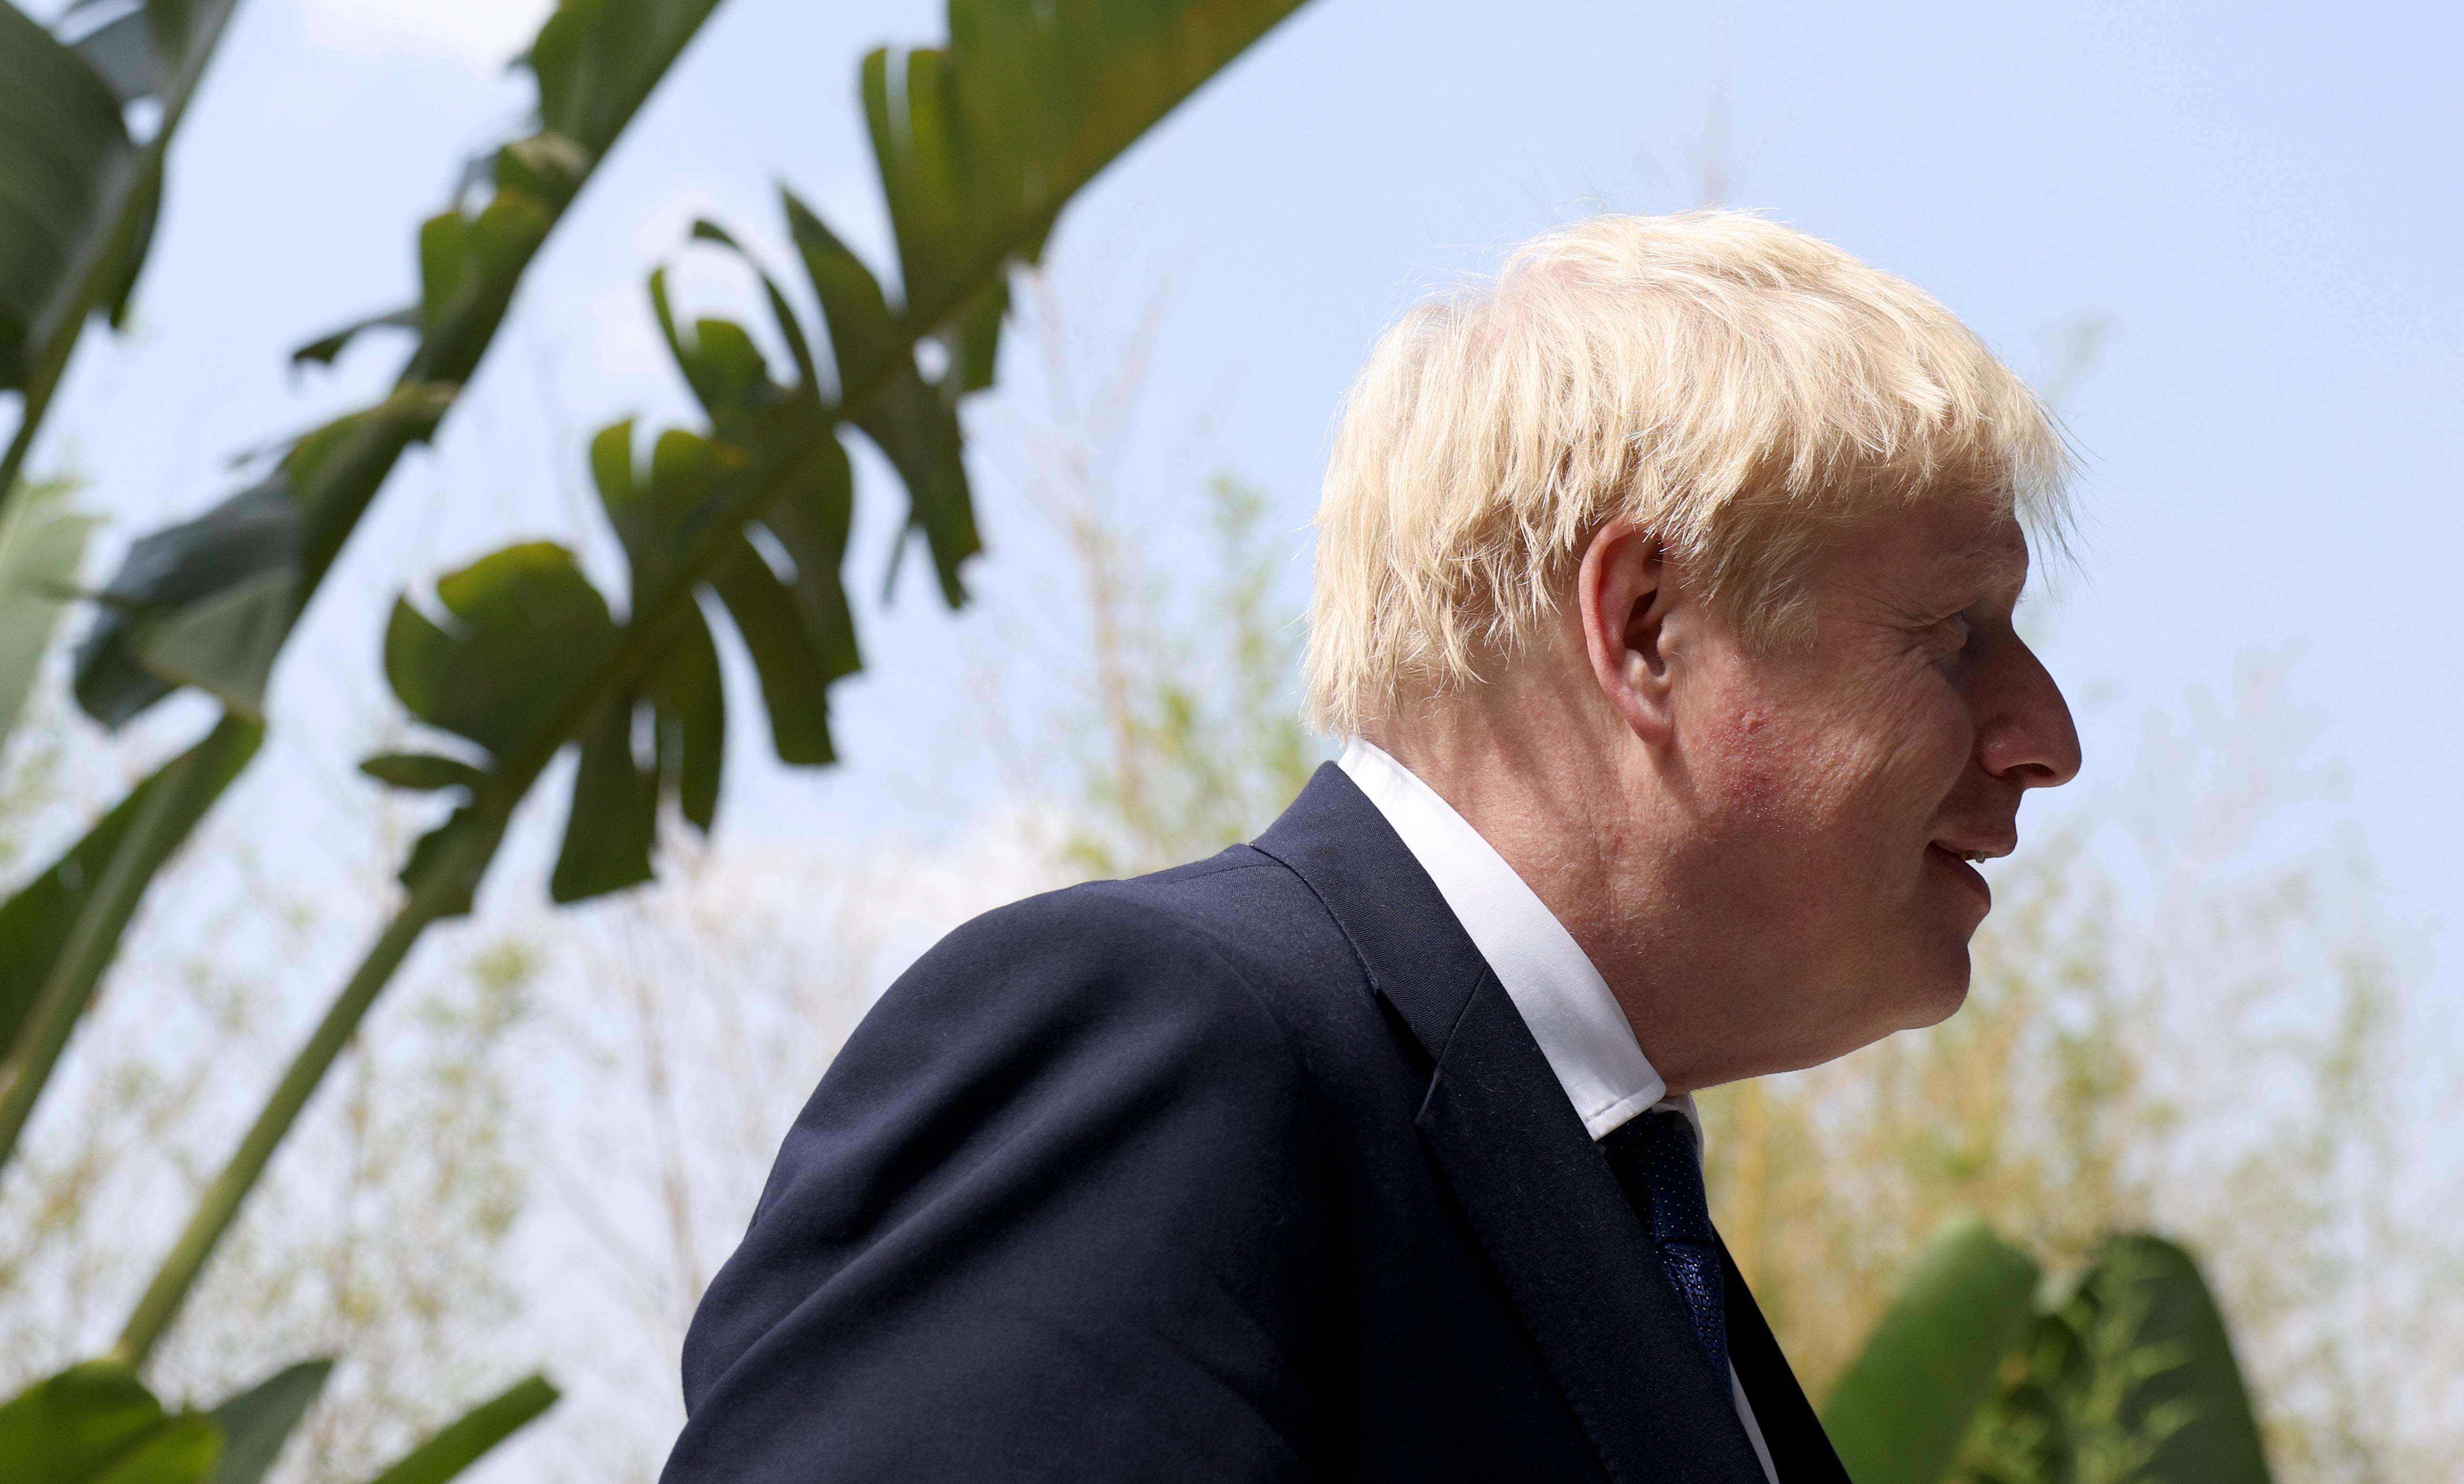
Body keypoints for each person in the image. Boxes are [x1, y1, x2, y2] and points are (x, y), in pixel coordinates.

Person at [662, 211, 2082, 1483]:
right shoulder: (1178, 1052)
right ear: (1647, 624)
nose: (2046, 732)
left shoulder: (1616, 1219)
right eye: (1952, 633)